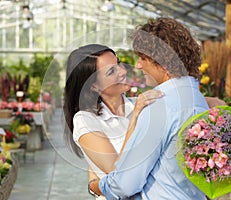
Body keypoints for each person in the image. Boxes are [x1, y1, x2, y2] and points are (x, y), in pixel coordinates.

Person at [88, 17, 213, 199]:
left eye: (143, 58)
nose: (138, 65)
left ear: (161, 61)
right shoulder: (196, 98)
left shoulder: (158, 106)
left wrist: (96, 186)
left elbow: (125, 185)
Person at [63, 44, 164, 199]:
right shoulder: (85, 120)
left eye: (118, 63)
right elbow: (119, 174)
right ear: (94, 86)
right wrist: (135, 118)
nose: (123, 71)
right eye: (111, 71)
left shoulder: (139, 103)